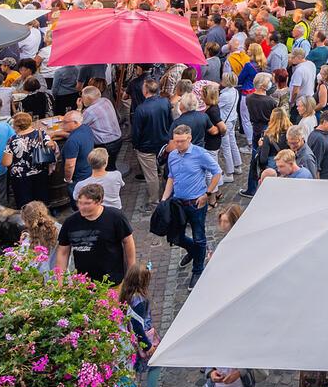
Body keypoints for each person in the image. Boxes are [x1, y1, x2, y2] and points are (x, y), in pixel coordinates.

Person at [161, 125, 222, 289]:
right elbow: (171, 177)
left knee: (199, 236)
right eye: (176, 141)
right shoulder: (172, 155)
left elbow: (217, 172)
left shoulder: (200, 154)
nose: (178, 144)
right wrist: (164, 198)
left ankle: (198, 269)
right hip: (178, 203)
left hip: (196, 203)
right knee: (175, 236)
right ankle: (195, 251)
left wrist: (208, 195)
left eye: (181, 141)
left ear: (189, 138)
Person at [54, 183, 135, 285]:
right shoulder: (70, 222)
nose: (82, 207)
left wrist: (132, 269)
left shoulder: (115, 217)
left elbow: (128, 241)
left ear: (99, 201)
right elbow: (63, 251)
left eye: (87, 203)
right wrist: (60, 281)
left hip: (112, 281)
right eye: (79, 203)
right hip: (84, 283)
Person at [2, 111, 57, 208]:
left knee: (25, 205)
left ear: (16, 125)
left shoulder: (12, 140)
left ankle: (28, 222)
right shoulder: (41, 133)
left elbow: (7, 162)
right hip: (39, 172)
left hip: (21, 177)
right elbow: (51, 145)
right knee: (41, 203)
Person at [132, 78, 173, 208]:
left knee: (151, 175)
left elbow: (136, 131)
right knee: (164, 170)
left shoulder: (141, 109)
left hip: (146, 146)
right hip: (163, 143)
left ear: (145, 91)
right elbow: (170, 122)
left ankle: (154, 201)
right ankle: (166, 194)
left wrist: (136, 146)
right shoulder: (165, 102)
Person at [80, 86, 124, 169]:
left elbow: (78, 125)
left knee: (104, 169)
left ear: (88, 98)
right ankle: (114, 178)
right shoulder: (106, 101)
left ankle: (112, 180)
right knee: (110, 166)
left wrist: (79, 108)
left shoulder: (90, 111)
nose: (81, 100)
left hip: (106, 144)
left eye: (82, 97)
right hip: (117, 139)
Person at [58, 110, 96, 190]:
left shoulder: (72, 141)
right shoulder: (86, 128)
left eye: (65, 122)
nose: (62, 125)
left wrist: (68, 180)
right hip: (88, 171)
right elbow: (74, 136)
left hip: (78, 179)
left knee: (76, 199)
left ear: (75, 122)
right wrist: (56, 134)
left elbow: (70, 165)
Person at [19, 200, 59, 274]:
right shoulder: (59, 229)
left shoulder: (28, 240)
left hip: (37, 276)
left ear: (26, 221)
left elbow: (22, 263)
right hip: (59, 274)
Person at [307, 111, 328, 180]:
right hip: (325, 180)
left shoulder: (321, 134)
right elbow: (316, 165)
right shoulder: (319, 139)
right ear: (324, 122)